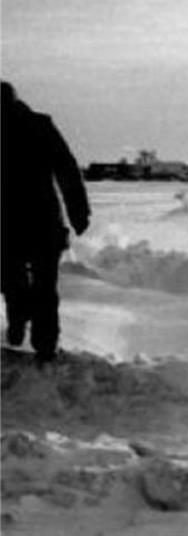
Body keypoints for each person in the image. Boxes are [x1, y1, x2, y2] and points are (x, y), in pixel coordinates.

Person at [1, 81, 91, 363]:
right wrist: (78, 212)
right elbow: (67, 169)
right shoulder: (40, 126)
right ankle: (45, 345)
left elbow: (65, 166)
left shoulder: (38, 126)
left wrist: (78, 211)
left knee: (14, 280)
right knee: (43, 286)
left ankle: (24, 321)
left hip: (15, 225)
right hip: (41, 223)